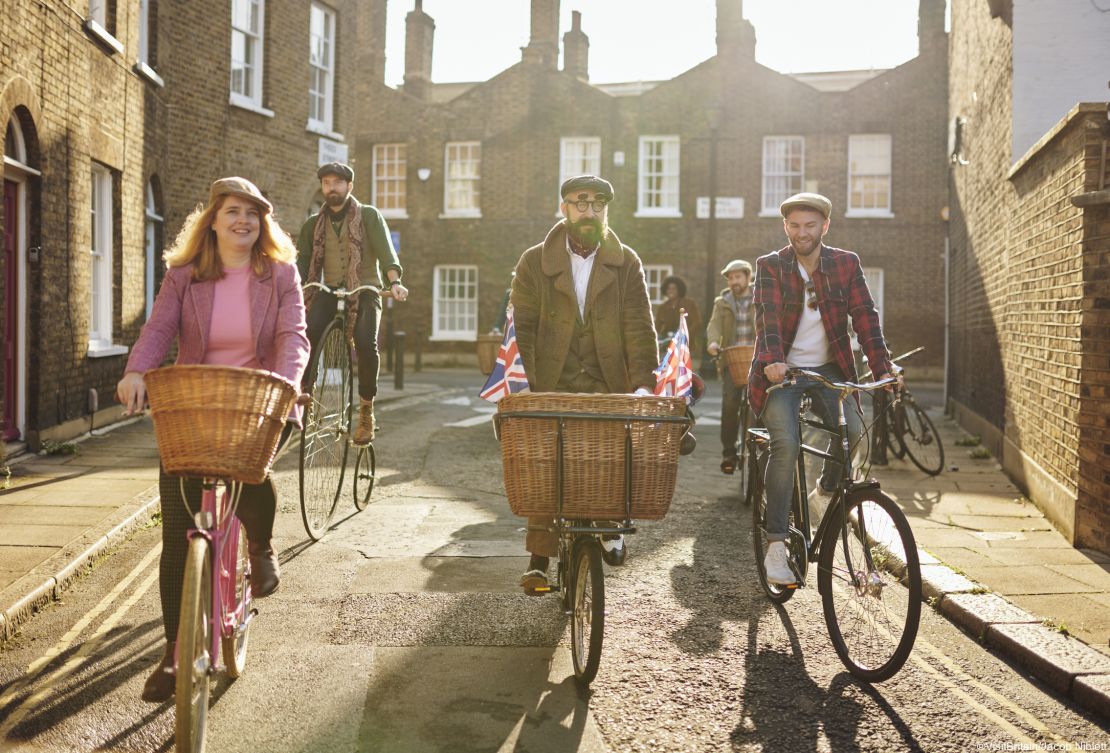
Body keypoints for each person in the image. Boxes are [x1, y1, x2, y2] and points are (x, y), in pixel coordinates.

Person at [116, 177, 310, 702]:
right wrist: (138, 372)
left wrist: (287, 385)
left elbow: (294, 335)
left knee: (252, 470)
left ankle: (262, 548)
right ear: (214, 219)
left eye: (252, 212)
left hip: (257, 400)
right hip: (195, 404)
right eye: (232, 211)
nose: (242, 220)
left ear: (262, 222)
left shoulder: (281, 275)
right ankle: (173, 655)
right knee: (178, 535)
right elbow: (159, 329)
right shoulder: (184, 275)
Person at [511, 175, 660, 591]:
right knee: (546, 463)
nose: (589, 211)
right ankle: (539, 557)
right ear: (564, 209)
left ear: (606, 211)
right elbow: (520, 325)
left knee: (608, 456)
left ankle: (609, 525)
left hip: (607, 379)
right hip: (550, 379)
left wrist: (643, 384)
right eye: (580, 203)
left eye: (598, 204)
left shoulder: (626, 261)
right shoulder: (533, 261)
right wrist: (524, 383)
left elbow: (639, 327)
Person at [750, 192, 896, 586]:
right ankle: (776, 545)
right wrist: (773, 363)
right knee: (786, 446)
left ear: (825, 227)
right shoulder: (770, 266)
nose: (802, 233)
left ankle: (824, 492)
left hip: (831, 369)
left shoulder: (845, 264)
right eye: (794, 226)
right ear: (786, 227)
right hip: (782, 372)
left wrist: (884, 368)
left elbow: (866, 318)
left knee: (852, 432)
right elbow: (767, 323)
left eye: (810, 226)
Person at [295, 162, 408, 446]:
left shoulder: (368, 216)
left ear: (349, 186)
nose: (331, 188)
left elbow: (386, 253)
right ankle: (304, 398)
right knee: (309, 333)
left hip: (366, 288)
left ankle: (366, 410)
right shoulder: (312, 224)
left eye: (337, 183)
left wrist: (394, 282)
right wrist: (293, 289)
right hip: (329, 289)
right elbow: (303, 262)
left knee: (366, 343)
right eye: (326, 183)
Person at [705, 259, 754, 475]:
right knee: (730, 404)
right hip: (732, 360)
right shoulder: (722, 302)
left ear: (747, 277)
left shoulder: (760, 298)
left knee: (761, 405)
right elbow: (713, 326)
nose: (734, 281)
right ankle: (729, 453)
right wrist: (713, 343)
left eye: (738, 277)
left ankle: (759, 445)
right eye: (731, 278)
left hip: (756, 359)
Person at [653, 274, 702, 355]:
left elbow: (697, 323)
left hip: (686, 346)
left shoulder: (689, 304)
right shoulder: (662, 308)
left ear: (679, 290)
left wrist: (685, 336)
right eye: (668, 288)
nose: (671, 291)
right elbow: (656, 327)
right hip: (668, 346)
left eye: (674, 288)